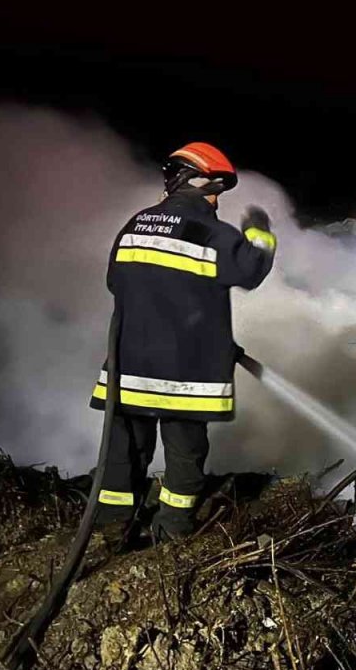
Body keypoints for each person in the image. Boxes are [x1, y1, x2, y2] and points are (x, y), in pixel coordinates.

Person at [90, 141, 277, 541]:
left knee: (122, 454)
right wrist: (259, 232)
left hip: (129, 367)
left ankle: (111, 526)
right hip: (184, 374)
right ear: (201, 184)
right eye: (216, 191)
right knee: (184, 455)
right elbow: (251, 270)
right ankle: (171, 531)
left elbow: (114, 282)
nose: (217, 201)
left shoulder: (135, 223)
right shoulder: (210, 231)